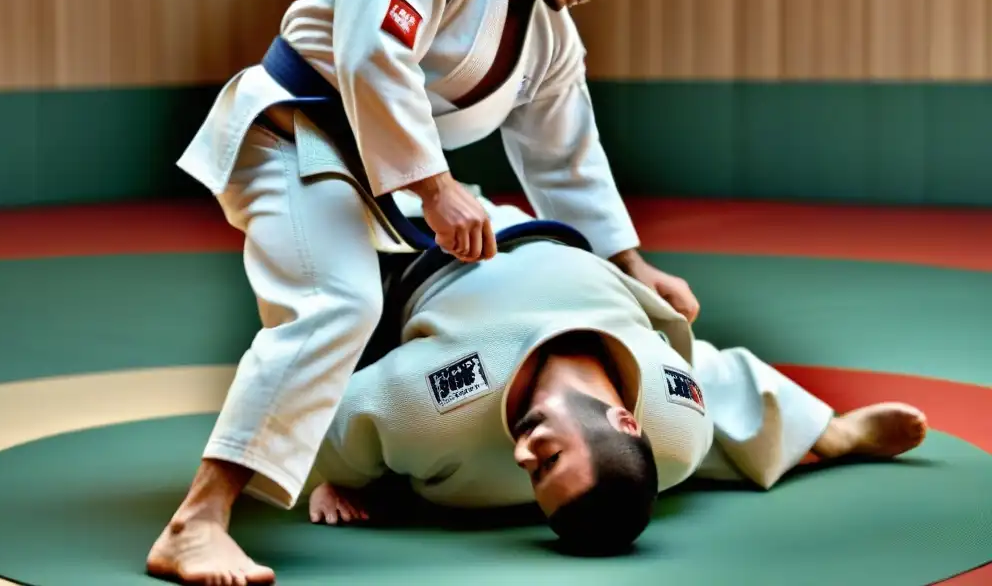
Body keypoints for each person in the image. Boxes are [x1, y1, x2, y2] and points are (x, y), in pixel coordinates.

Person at [147, 0, 698, 586]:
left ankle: (339, 467)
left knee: (389, 318)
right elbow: (374, 56)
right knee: (338, 301)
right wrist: (437, 189)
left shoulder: (548, 40)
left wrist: (631, 264)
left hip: (383, 186)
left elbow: (567, 157)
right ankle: (194, 525)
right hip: (292, 136)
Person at [304, 194, 929, 555]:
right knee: (705, 396)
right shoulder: (674, 429)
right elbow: (671, 340)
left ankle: (824, 435)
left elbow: (342, 422)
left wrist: (340, 478)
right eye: (549, 461)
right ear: (627, 418)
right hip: (508, 223)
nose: (524, 455)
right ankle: (827, 433)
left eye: (534, 472)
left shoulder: (438, 404)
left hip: (413, 265)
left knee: (331, 292)